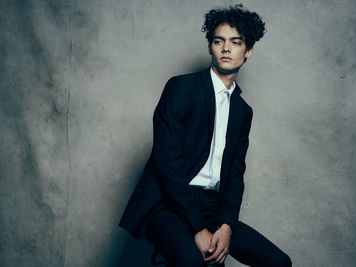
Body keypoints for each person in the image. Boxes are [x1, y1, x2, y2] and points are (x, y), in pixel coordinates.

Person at [120, 4, 292, 266]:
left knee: (278, 263)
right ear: (210, 46)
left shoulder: (242, 111)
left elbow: (234, 175)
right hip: (168, 205)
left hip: (212, 209)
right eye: (218, 41)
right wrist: (198, 228)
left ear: (248, 51)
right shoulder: (181, 88)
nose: (226, 48)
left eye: (236, 42)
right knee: (195, 263)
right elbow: (167, 164)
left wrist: (226, 226)